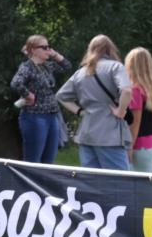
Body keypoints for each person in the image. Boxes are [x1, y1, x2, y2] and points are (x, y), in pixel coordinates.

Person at [56, 35, 133, 171]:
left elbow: (61, 96)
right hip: (110, 134)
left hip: (86, 133)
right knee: (119, 182)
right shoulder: (115, 67)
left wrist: (79, 111)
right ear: (111, 49)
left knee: (92, 182)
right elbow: (126, 90)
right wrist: (121, 110)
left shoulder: (80, 72)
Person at [9, 35, 71, 164]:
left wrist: (54, 54)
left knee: (49, 158)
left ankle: (43, 184)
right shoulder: (27, 67)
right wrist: (28, 95)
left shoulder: (47, 66)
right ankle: (29, 184)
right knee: (33, 158)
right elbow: (16, 83)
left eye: (49, 47)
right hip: (35, 117)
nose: (48, 50)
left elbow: (67, 66)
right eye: (44, 47)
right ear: (33, 50)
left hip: (52, 116)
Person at [125, 47, 152, 173]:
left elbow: (135, 123)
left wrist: (129, 147)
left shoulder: (135, 91)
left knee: (142, 188)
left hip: (140, 147)